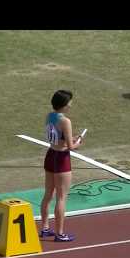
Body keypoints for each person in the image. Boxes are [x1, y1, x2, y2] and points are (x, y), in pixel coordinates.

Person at [39, 90, 83, 242]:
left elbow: (57, 136)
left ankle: (45, 228)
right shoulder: (66, 121)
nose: (71, 105)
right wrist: (78, 142)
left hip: (50, 155)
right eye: (69, 102)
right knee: (62, 197)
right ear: (64, 104)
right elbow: (71, 146)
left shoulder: (49, 116)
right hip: (62, 158)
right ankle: (60, 233)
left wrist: (70, 138)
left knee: (48, 194)